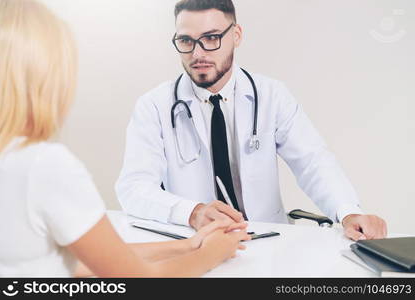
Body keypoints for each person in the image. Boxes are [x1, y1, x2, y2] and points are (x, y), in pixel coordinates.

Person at [0, 0, 250, 277]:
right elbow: (140, 281)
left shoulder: (13, 159)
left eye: (211, 38)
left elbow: (79, 261)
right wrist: (212, 253)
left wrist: (188, 247)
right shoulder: (44, 165)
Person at [116, 0, 387, 241]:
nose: (197, 53)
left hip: (267, 239)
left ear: (236, 35)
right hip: (197, 243)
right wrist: (193, 212)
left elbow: (312, 161)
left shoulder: (272, 95)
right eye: (186, 41)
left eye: (211, 38)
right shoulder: (153, 106)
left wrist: (348, 212)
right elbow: (133, 187)